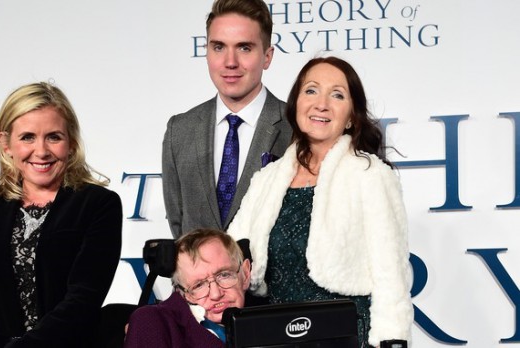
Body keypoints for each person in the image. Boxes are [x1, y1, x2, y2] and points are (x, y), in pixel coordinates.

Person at [227, 56, 413, 347]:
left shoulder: (370, 175)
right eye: (311, 90)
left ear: (352, 115)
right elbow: (230, 255)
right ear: (296, 103)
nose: (321, 103)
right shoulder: (267, 179)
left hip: (344, 336)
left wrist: (392, 340)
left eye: (337, 95)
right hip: (273, 334)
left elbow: (391, 274)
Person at [0, 82, 123, 348]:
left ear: (71, 142)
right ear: (6, 144)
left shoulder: (99, 204)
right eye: (27, 137)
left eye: (53, 137)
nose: (41, 151)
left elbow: (84, 296)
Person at [162, 0, 292, 238]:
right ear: (207, 51)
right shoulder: (179, 130)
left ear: (267, 56)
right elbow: (179, 228)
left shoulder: (296, 129)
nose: (230, 62)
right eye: (219, 47)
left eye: (244, 48)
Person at [124, 229, 251, 348]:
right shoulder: (151, 322)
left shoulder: (267, 324)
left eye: (224, 275)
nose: (215, 294)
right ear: (183, 293)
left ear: (245, 274)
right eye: (199, 285)